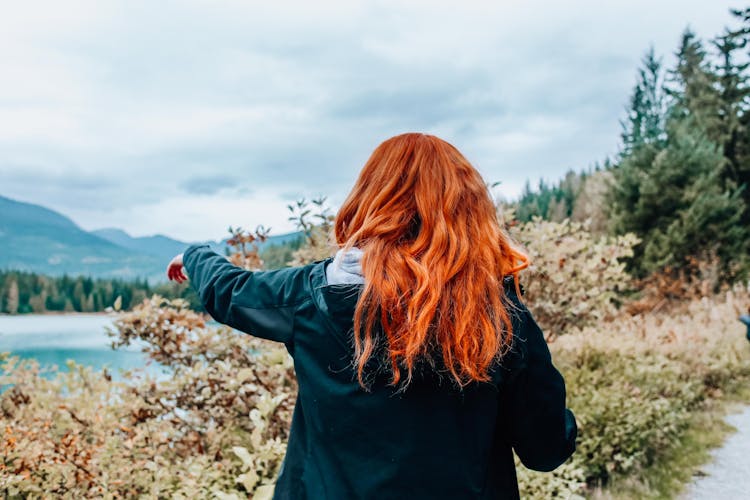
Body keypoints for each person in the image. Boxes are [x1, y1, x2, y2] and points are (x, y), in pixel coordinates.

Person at [167, 133, 577, 499]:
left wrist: (195, 255)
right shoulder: (501, 317)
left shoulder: (311, 295)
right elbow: (546, 450)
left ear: (371, 199)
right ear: (469, 211)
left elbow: (231, 291)